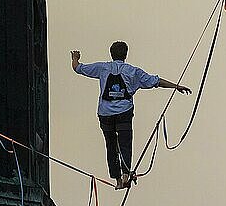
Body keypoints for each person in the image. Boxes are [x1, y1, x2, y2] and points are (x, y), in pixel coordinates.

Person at [71, 41, 192, 190]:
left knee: (110, 146)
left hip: (105, 114)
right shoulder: (133, 71)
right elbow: (156, 81)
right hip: (124, 113)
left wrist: (75, 57)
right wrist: (176, 86)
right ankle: (126, 175)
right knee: (125, 144)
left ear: (111, 53)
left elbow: (78, 68)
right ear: (126, 54)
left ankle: (118, 181)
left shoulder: (103, 68)